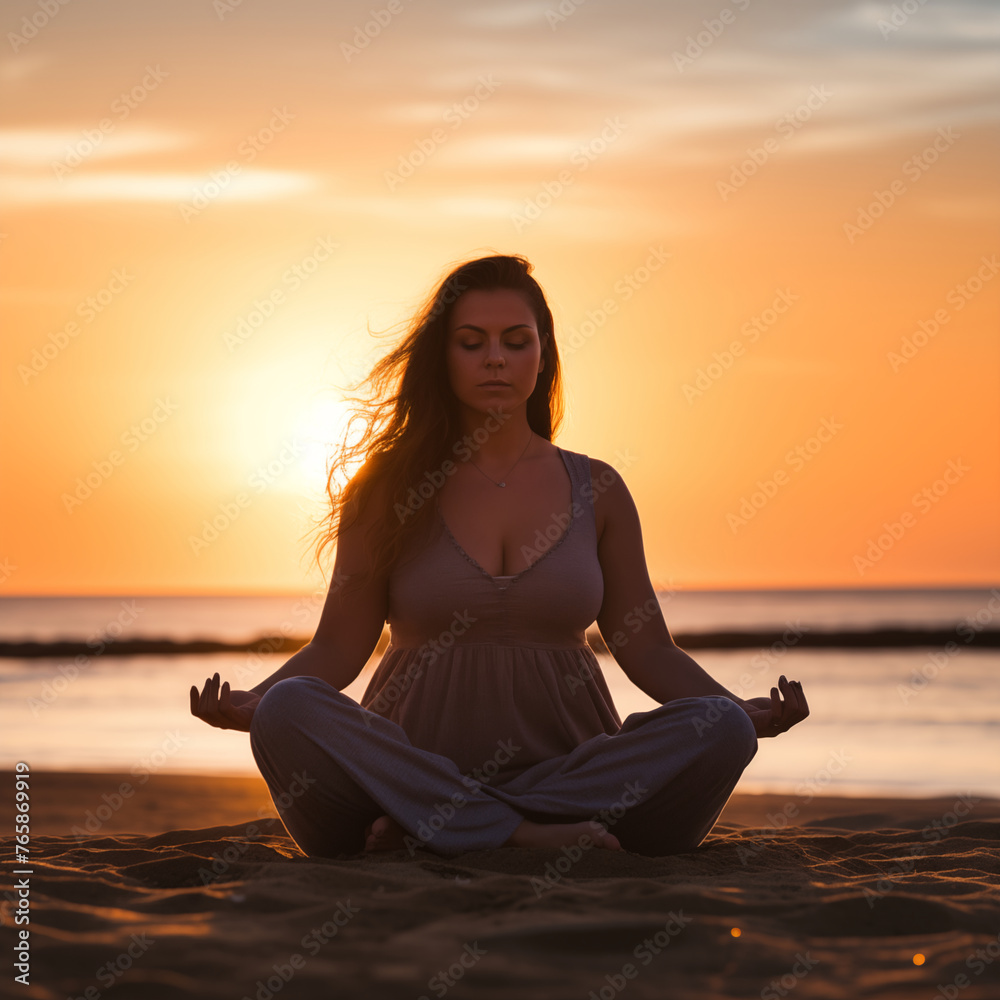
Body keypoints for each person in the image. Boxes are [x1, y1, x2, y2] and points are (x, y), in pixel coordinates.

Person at [190, 253, 809, 859]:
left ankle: (451, 824)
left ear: (543, 355)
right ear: (443, 356)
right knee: (290, 709)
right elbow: (337, 648)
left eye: (516, 341)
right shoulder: (386, 489)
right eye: (471, 342)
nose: (495, 358)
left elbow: (647, 648)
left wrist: (735, 707)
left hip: (568, 774)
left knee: (719, 730)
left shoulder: (600, 489)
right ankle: (516, 831)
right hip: (403, 776)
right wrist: (257, 700)